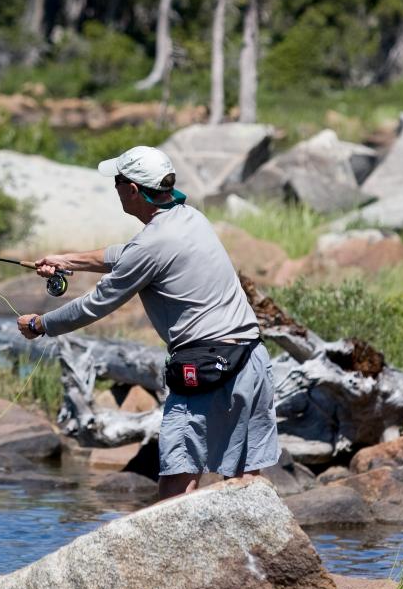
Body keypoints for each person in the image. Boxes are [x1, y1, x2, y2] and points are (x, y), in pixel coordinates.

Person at [16, 145, 279, 499]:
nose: (115, 187)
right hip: (252, 361)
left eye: (117, 181)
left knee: (177, 483)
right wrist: (68, 260)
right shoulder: (191, 218)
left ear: (134, 190)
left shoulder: (151, 245)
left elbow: (96, 304)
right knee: (246, 483)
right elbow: (127, 254)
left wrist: (40, 325)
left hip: (203, 370)